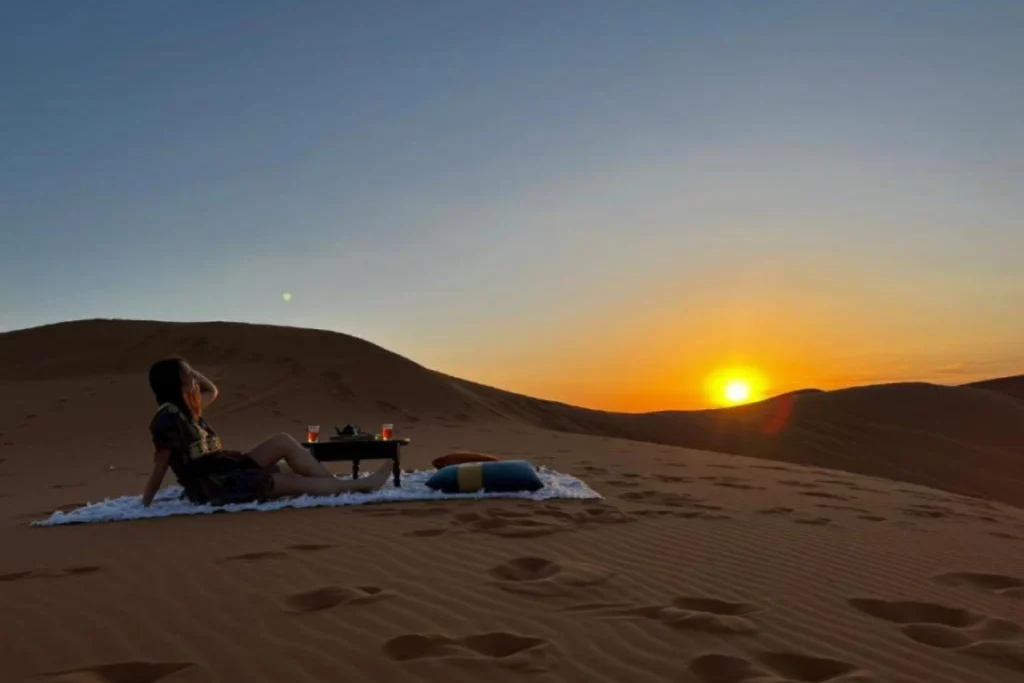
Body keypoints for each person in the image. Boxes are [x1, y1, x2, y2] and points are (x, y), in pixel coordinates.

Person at [142, 357, 390, 507]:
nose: (194, 378)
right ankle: (359, 486)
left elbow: (212, 391)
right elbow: (160, 467)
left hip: (227, 467)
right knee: (292, 482)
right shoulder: (167, 420)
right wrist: (145, 504)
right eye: (187, 374)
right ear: (174, 382)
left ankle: (335, 486)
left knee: (282, 440)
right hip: (215, 485)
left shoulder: (187, 410)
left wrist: (190, 372)